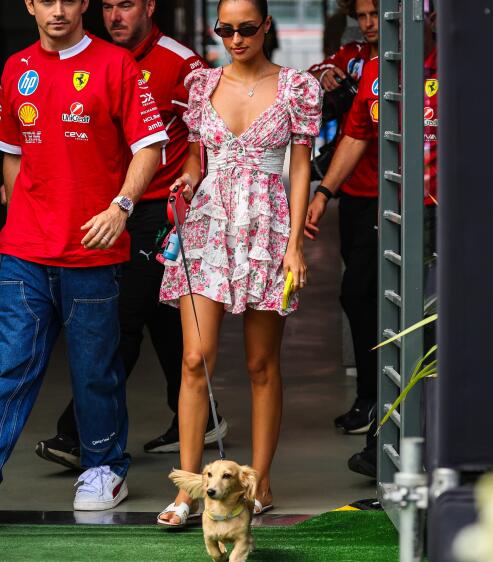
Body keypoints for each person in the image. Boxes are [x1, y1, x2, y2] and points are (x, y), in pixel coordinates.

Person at [0, 0, 167, 526]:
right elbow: (12, 151)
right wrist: (18, 218)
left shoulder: (115, 65)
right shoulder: (17, 68)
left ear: (83, 4)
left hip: (92, 250)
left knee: (94, 371)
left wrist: (121, 207)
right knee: (10, 366)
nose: (58, 10)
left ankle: (105, 467)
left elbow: (150, 146)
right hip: (25, 252)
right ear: (29, 4)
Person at [33, 0, 229, 471]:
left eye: (126, 5)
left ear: (149, 6)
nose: (114, 16)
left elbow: (206, 136)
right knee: (161, 316)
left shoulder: (181, 63)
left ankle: (78, 434)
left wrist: (194, 175)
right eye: (108, 6)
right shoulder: (90, 58)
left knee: (119, 318)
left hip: (156, 213)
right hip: (102, 211)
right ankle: (202, 419)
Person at [155, 0, 321, 526]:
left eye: (246, 28)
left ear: (266, 26)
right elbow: (195, 155)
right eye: (224, 29)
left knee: (260, 364)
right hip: (207, 227)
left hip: (267, 231)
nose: (235, 38)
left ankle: (260, 479)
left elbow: (300, 169)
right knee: (193, 357)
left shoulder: (296, 87)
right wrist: (185, 180)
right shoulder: (202, 85)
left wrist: (295, 242)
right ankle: (187, 491)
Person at [305, 6, 439, 478]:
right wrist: (323, 193)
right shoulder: (380, 66)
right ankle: (386, 436)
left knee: (432, 327)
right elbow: (359, 132)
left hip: (448, 217)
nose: (378, 22)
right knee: (378, 307)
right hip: (392, 211)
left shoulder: (458, 62)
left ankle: (428, 447)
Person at [305, 0, 381, 437]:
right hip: (354, 194)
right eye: (364, 16)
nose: (370, 25)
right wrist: (323, 78)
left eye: (377, 16)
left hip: (401, 197)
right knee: (362, 297)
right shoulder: (353, 56)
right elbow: (315, 78)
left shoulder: (419, 60)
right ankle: (370, 398)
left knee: (360, 295)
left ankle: (376, 399)